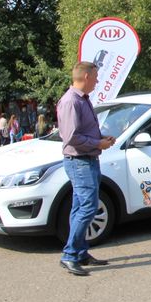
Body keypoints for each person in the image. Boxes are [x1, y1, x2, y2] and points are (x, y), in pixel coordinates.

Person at [57, 61, 116, 276]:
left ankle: (80, 252)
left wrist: (101, 138)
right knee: (88, 208)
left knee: (79, 207)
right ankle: (70, 255)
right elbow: (71, 137)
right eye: (96, 77)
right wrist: (98, 144)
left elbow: (82, 132)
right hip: (79, 161)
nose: (97, 81)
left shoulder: (82, 99)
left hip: (86, 159)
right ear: (86, 77)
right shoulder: (71, 101)